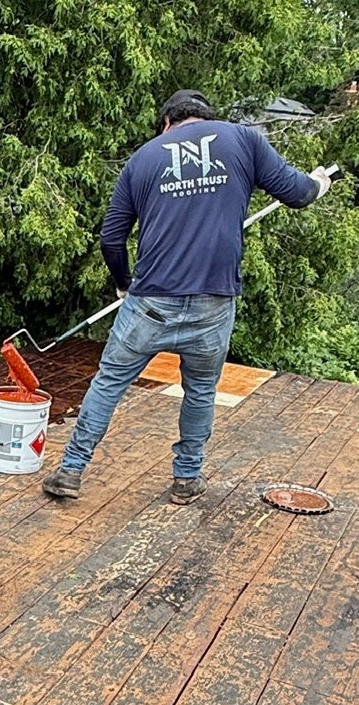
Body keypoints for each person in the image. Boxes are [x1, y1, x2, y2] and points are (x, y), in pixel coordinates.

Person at [42, 89, 330, 505]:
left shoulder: (143, 159)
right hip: (213, 303)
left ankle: (70, 470)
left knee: (108, 384)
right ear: (205, 117)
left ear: (167, 123)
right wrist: (320, 181)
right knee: (199, 390)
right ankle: (186, 478)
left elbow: (111, 238)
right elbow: (299, 193)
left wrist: (124, 283)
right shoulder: (243, 140)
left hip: (150, 303)